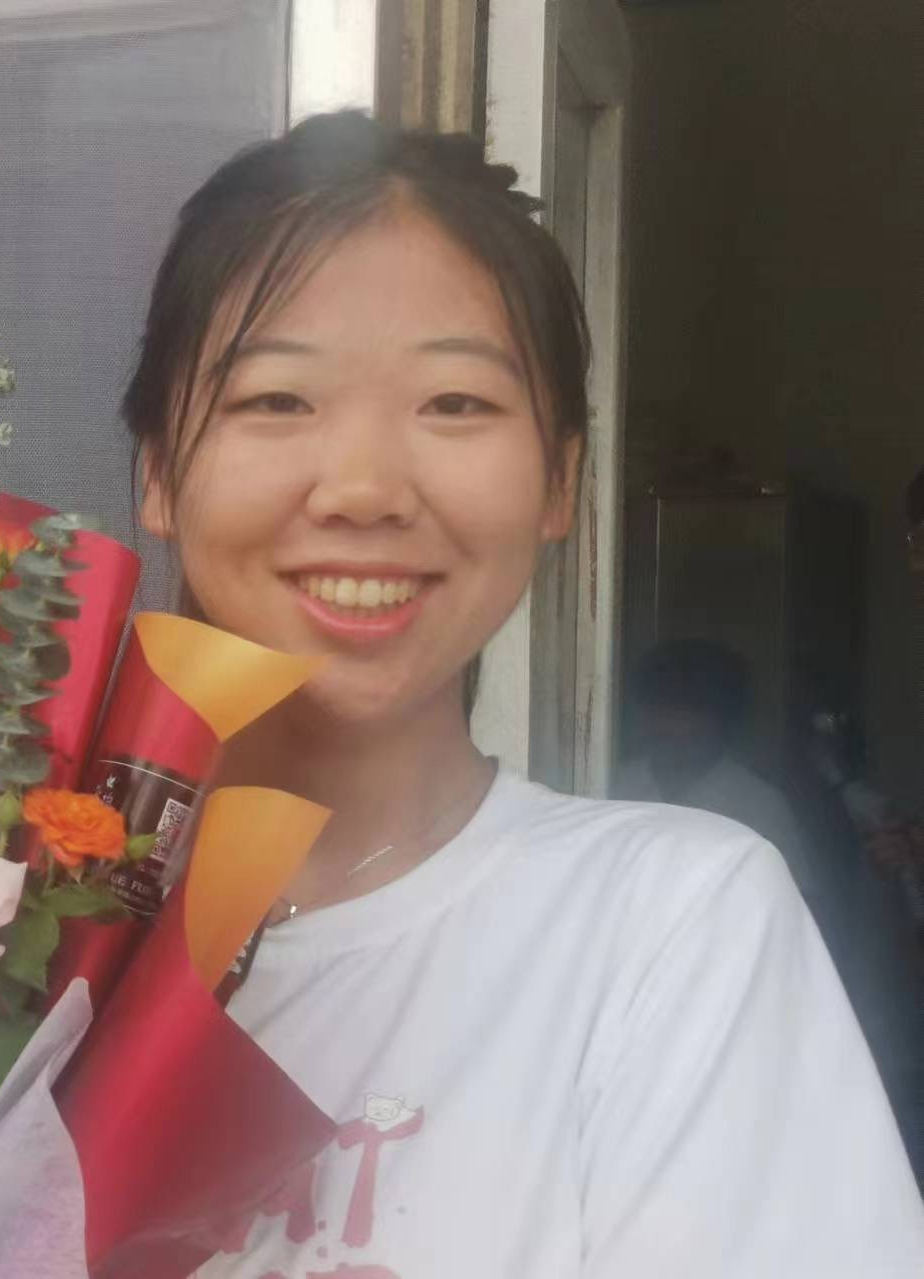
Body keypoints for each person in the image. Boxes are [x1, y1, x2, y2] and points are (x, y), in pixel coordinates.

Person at [119, 111, 924, 1276]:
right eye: (275, 400)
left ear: (559, 479)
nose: (362, 488)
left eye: (454, 403)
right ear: (156, 468)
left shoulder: (664, 926)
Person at [613, 640, 811, 891]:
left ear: (722, 718)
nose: (671, 724)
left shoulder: (760, 806)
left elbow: (789, 899)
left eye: (687, 711)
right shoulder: (614, 785)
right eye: (661, 708)